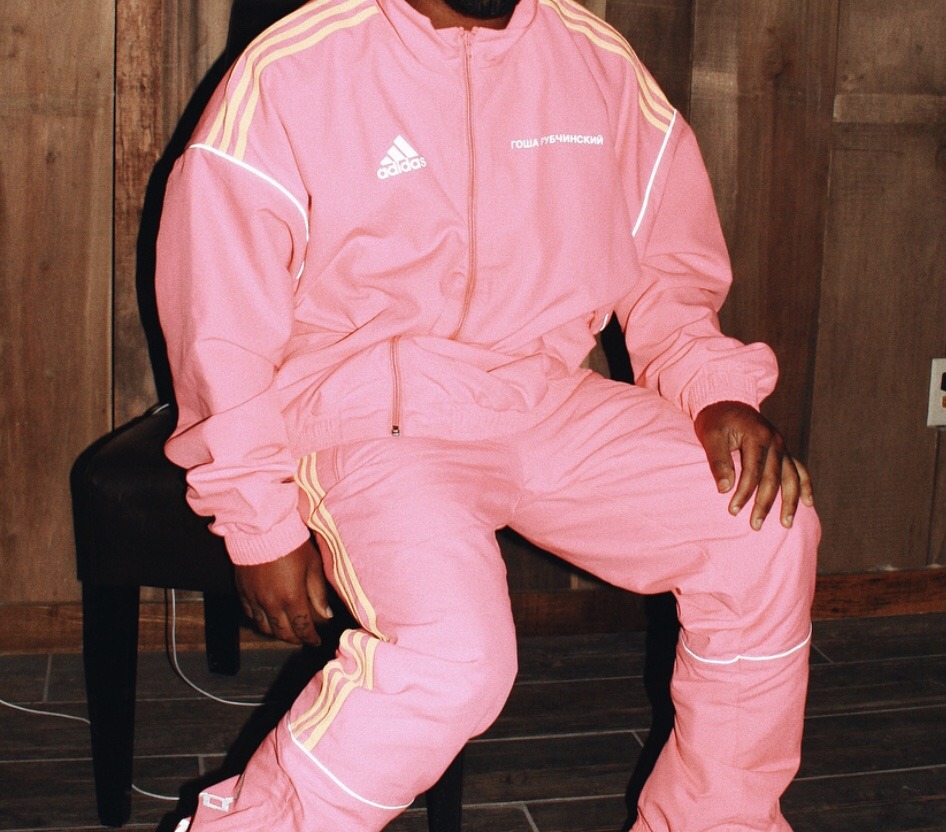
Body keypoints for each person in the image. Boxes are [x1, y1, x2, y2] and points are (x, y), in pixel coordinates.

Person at [154, 0, 820, 827]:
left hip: (542, 396)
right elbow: (219, 327)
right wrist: (259, 522)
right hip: (369, 419)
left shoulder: (595, 60)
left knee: (763, 527)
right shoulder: (294, 67)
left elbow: (665, 270)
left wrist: (714, 389)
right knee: (456, 659)